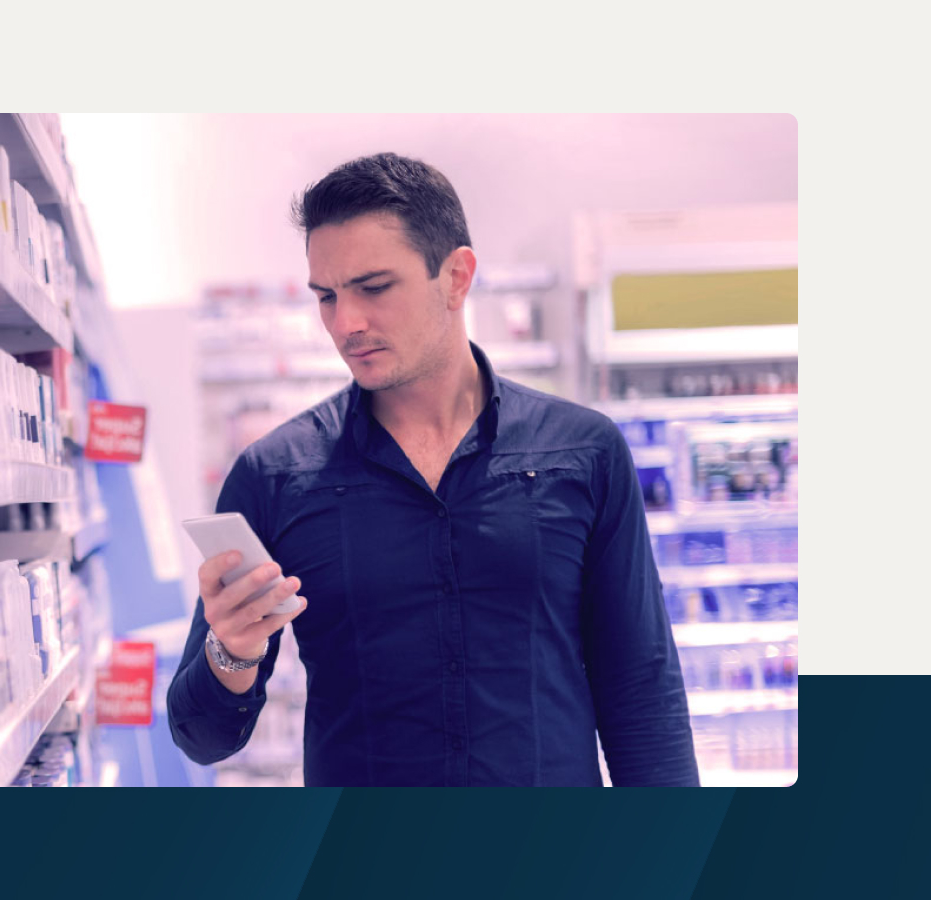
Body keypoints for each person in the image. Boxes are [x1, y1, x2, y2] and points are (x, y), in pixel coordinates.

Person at [166, 153, 698, 786]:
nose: (345, 323)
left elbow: (640, 691)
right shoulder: (275, 476)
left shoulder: (582, 452)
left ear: (456, 277)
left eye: (373, 287)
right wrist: (234, 651)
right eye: (326, 297)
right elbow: (201, 738)